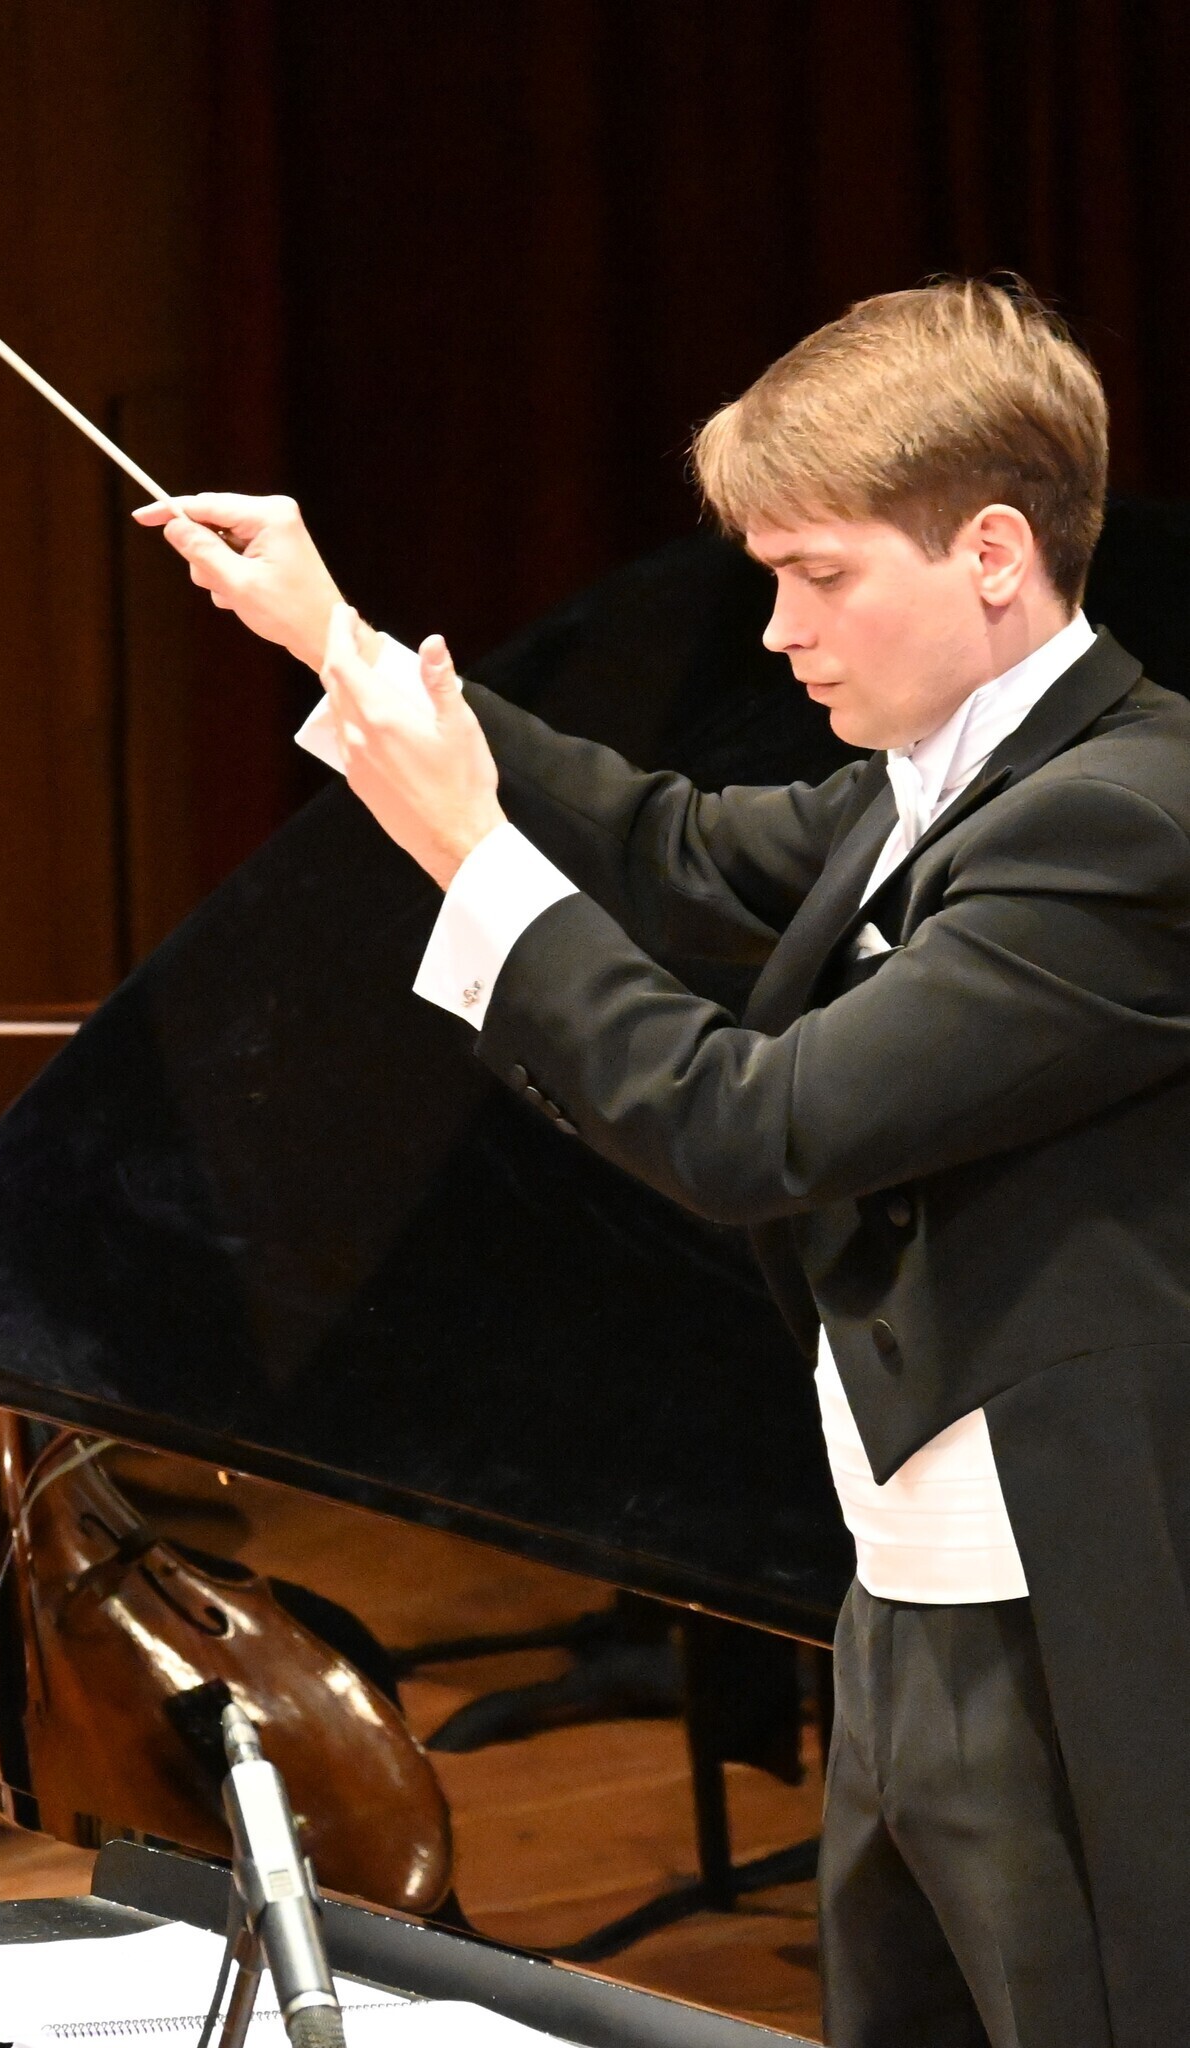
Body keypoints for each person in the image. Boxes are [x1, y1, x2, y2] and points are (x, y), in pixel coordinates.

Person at [136, 281, 1190, 2048]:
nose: (779, 630)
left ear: (993, 553)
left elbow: (749, 1126)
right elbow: (665, 847)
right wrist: (335, 643)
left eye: (818, 575)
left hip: (1070, 1607)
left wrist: (465, 852)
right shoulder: (938, 777)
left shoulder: (1121, 819)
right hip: (909, 1589)